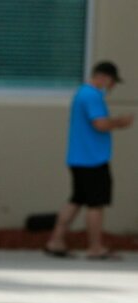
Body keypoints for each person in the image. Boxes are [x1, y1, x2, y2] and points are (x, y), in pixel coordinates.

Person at [45, 61, 133, 260]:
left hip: (78, 158)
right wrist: (121, 122)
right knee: (96, 204)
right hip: (93, 159)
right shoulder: (92, 96)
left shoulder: (82, 94)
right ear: (104, 77)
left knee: (76, 199)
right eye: (112, 83)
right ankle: (95, 247)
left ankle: (55, 241)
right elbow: (100, 124)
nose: (111, 88)